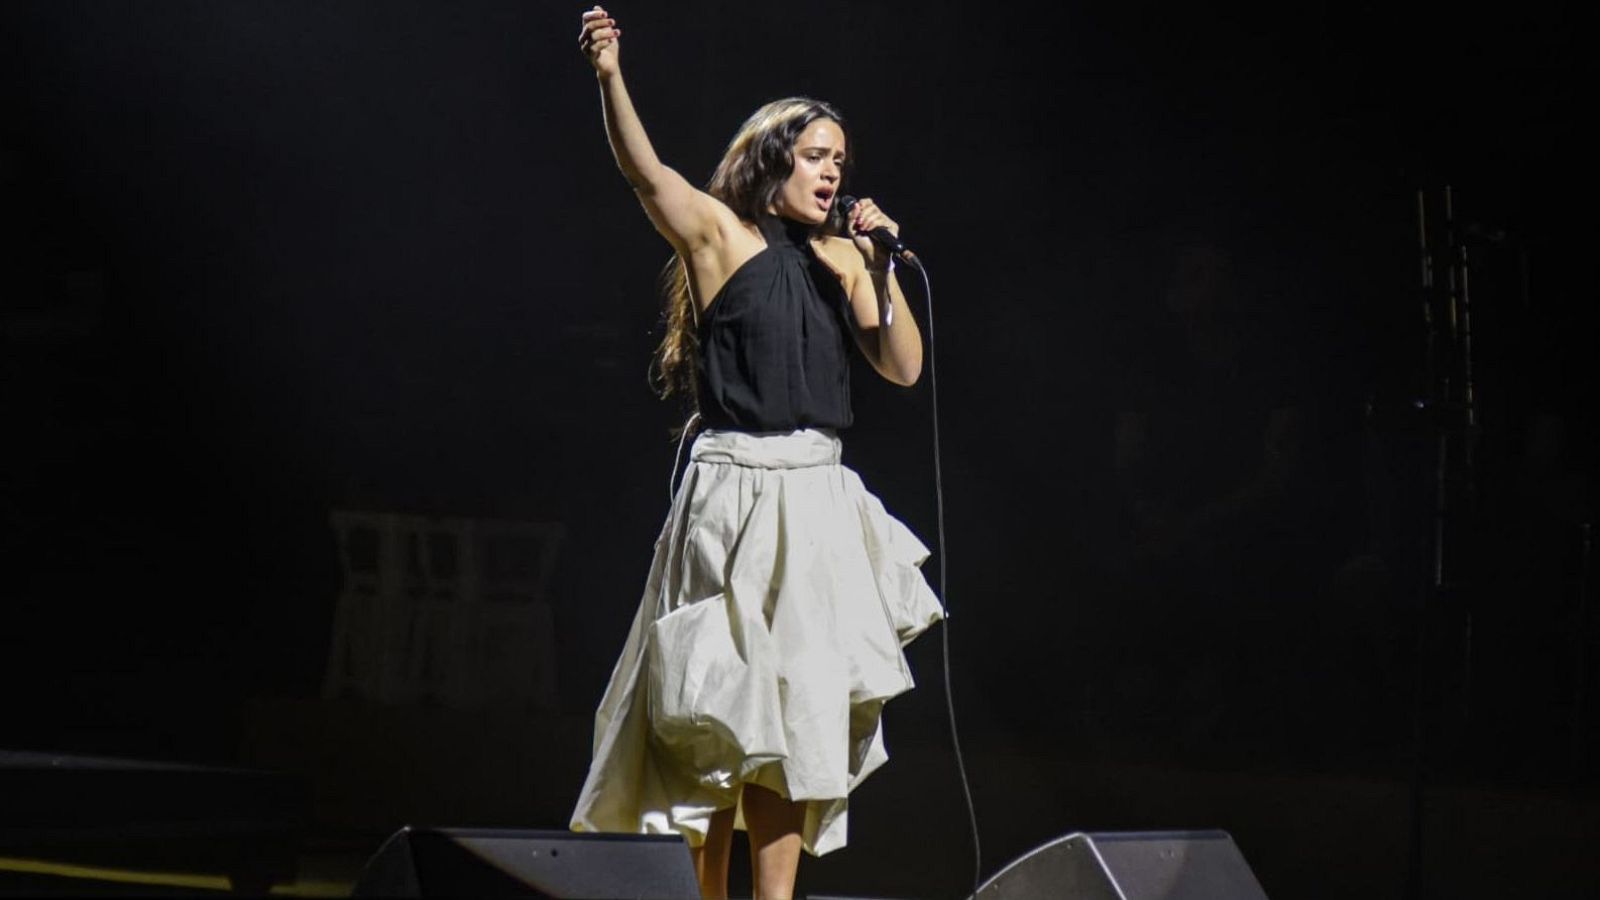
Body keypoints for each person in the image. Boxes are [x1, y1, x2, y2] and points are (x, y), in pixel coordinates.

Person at [567, 6, 945, 899]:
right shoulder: (722, 236)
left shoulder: (844, 258)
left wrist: (879, 265)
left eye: (840, 160)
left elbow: (901, 367)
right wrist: (610, 75)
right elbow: (646, 174)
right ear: (774, 160)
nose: (833, 172)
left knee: (794, 713)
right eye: (816, 156)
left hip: (815, 494)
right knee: (719, 707)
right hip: (735, 492)